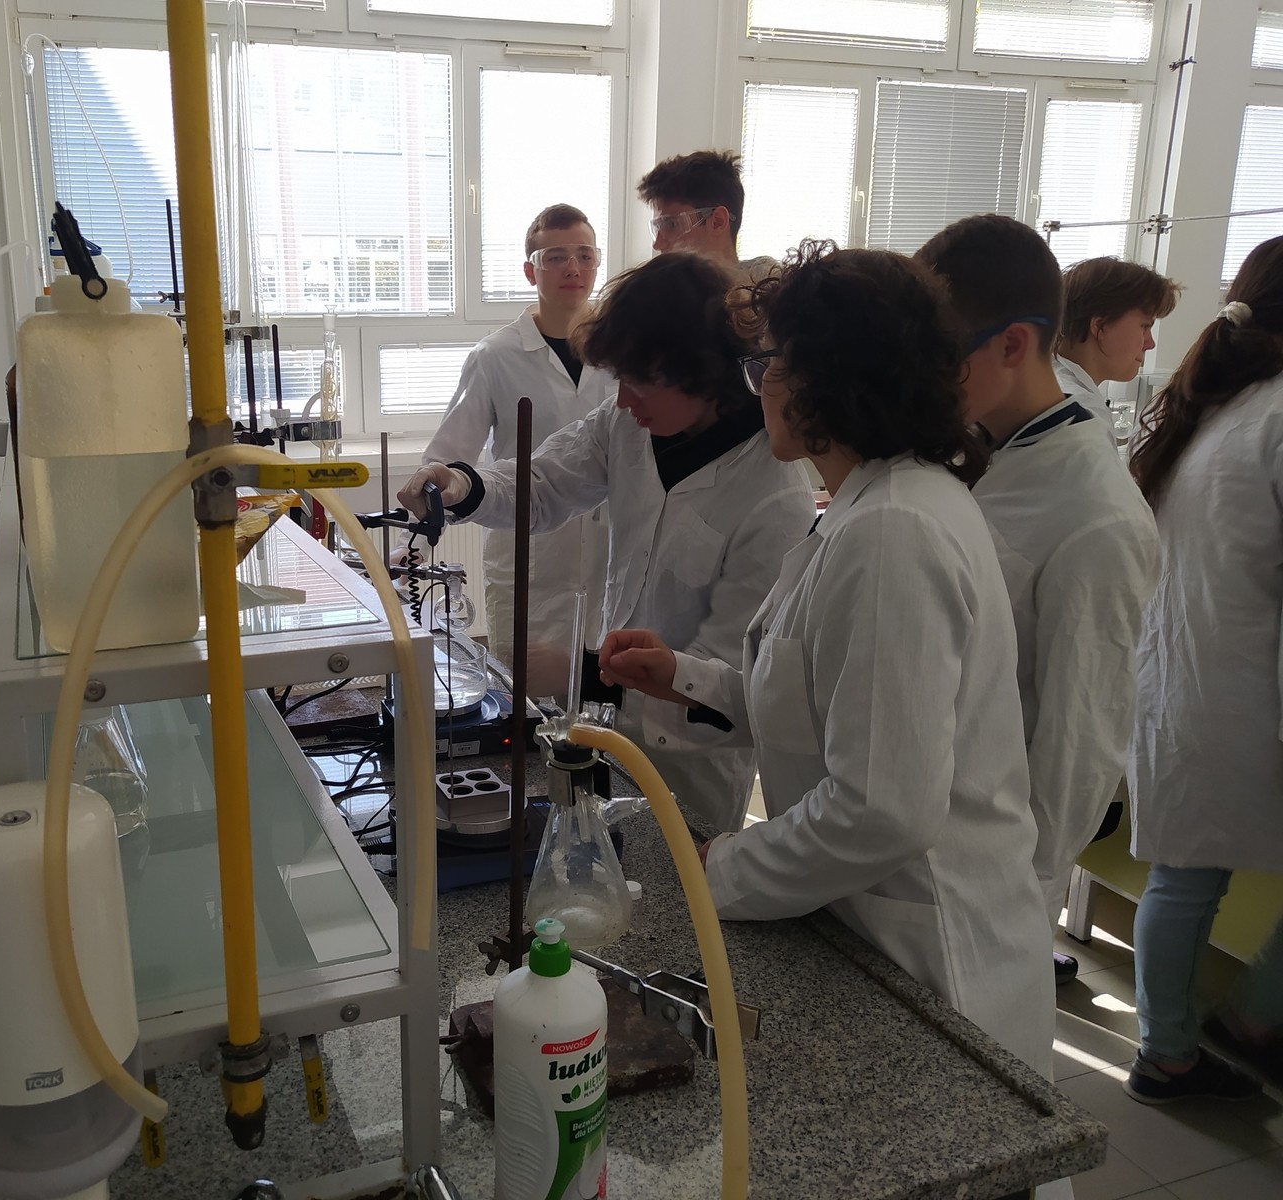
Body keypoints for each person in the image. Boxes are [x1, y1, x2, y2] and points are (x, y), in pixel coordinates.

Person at [597, 241, 1054, 1080]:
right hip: (872, 924)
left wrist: (720, 868)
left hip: (932, 954)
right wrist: (684, 677)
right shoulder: (865, 505)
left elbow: (882, 809)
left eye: (769, 363)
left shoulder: (892, 532)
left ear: (829, 378)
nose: (760, 386)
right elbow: (821, 703)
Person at [398, 252, 813, 833]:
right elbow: (543, 483)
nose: (621, 399)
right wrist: (462, 485)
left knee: (673, 878)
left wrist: (585, 672)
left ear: (702, 373)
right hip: (609, 737)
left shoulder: (775, 496)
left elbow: (734, 683)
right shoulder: (629, 425)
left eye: (638, 382)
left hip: (693, 770)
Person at [916, 216, 1160, 985]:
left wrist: (1013, 896)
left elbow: (1077, 754)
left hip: (982, 886)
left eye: (939, 355)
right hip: (910, 831)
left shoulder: (1098, 518)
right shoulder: (972, 448)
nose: (922, 377)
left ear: (1013, 345)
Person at [1121, 236, 1283, 1104]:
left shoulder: (1211, 410)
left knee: (1185, 875)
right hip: (1239, 690)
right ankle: (1233, 1026)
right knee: (1187, 878)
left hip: (1185, 681)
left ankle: (1174, 1047)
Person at [421, 204, 614, 682]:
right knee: (525, 695)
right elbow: (448, 461)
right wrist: (417, 538)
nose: (573, 268)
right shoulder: (494, 357)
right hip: (528, 562)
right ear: (530, 271)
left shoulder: (626, 351)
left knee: (606, 692)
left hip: (612, 558)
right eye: (556, 257)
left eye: (585, 255)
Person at [1053, 256, 1180, 445]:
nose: (1150, 343)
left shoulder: (1055, 389)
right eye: (1145, 327)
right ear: (1100, 326)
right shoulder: (1079, 416)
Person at [637, 149, 745, 265]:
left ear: (718, 222)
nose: (657, 245)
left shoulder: (758, 275)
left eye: (672, 225)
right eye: (658, 228)